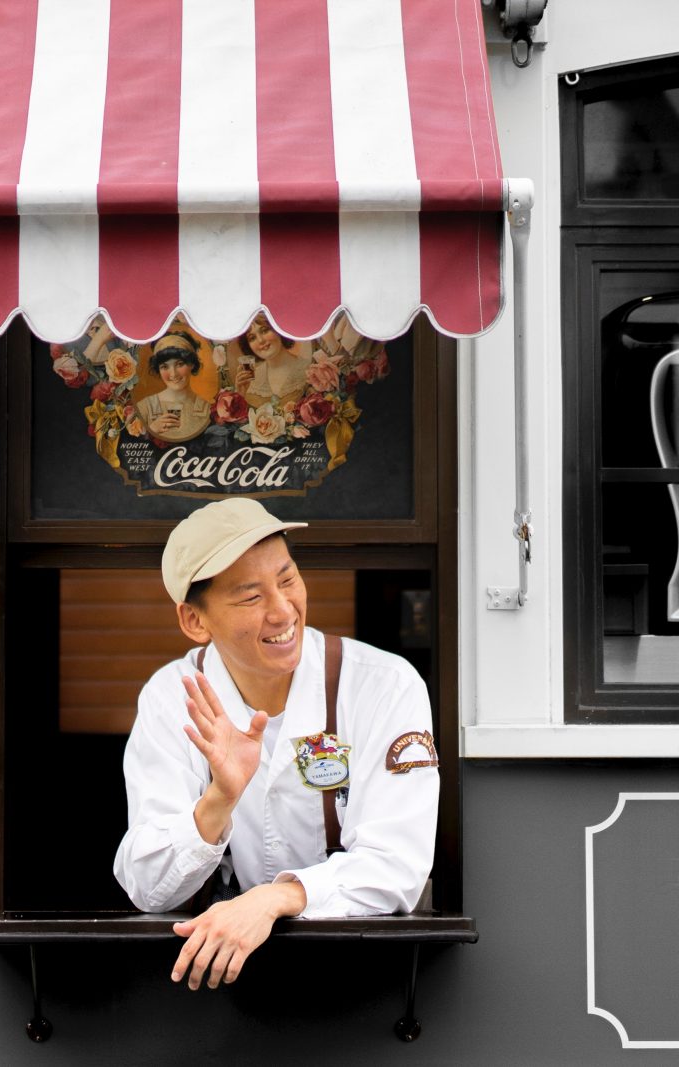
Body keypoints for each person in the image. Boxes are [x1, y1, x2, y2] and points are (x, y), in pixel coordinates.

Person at [113, 498, 440, 990]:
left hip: (370, 980)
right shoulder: (172, 697)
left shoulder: (384, 685)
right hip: (218, 987)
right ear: (194, 621)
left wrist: (270, 900)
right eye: (250, 597)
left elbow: (397, 866)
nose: (284, 610)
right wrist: (217, 803)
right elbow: (147, 887)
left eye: (287, 579)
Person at [135, 334, 212, 444]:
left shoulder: (207, 410)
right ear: (158, 370)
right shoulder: (145, 407)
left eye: (180, 364)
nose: (173, 374)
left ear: (192, 364)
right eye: (165, 367)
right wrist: (151, 431)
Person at [235, 314, 309, 407]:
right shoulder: (251, 381)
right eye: (252, 338)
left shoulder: (308, 370)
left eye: (265, 331)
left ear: (279, 329)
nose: (261, 340)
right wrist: (241, 395)